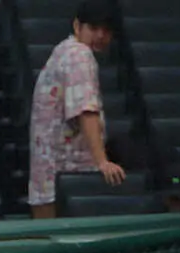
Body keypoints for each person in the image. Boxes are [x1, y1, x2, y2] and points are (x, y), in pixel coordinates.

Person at [28, 0, 124, 219]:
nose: (100, 35)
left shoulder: (63, 50)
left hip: (48, 178)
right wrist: (102, 161)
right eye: (93, 28)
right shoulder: (79, 55)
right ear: (77, 26)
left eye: (106, 30)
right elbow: (85, 111)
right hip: (66, 177)